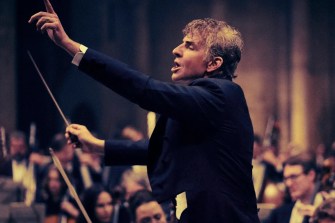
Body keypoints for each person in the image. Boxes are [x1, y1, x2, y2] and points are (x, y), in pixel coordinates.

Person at [29, 0, 260, 222]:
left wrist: (70, 46)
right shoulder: (203, 104)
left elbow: (144, 89)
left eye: (189, 46)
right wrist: (97, 146)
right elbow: (162, 148)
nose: (175, 50)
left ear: (213, 64)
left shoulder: (221, 94)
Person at [263, 153, 321, 223]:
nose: (288, 183)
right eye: (286, 178)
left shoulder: (326, 212)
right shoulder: (279, 213)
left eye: (293, 177)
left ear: (311, 175)